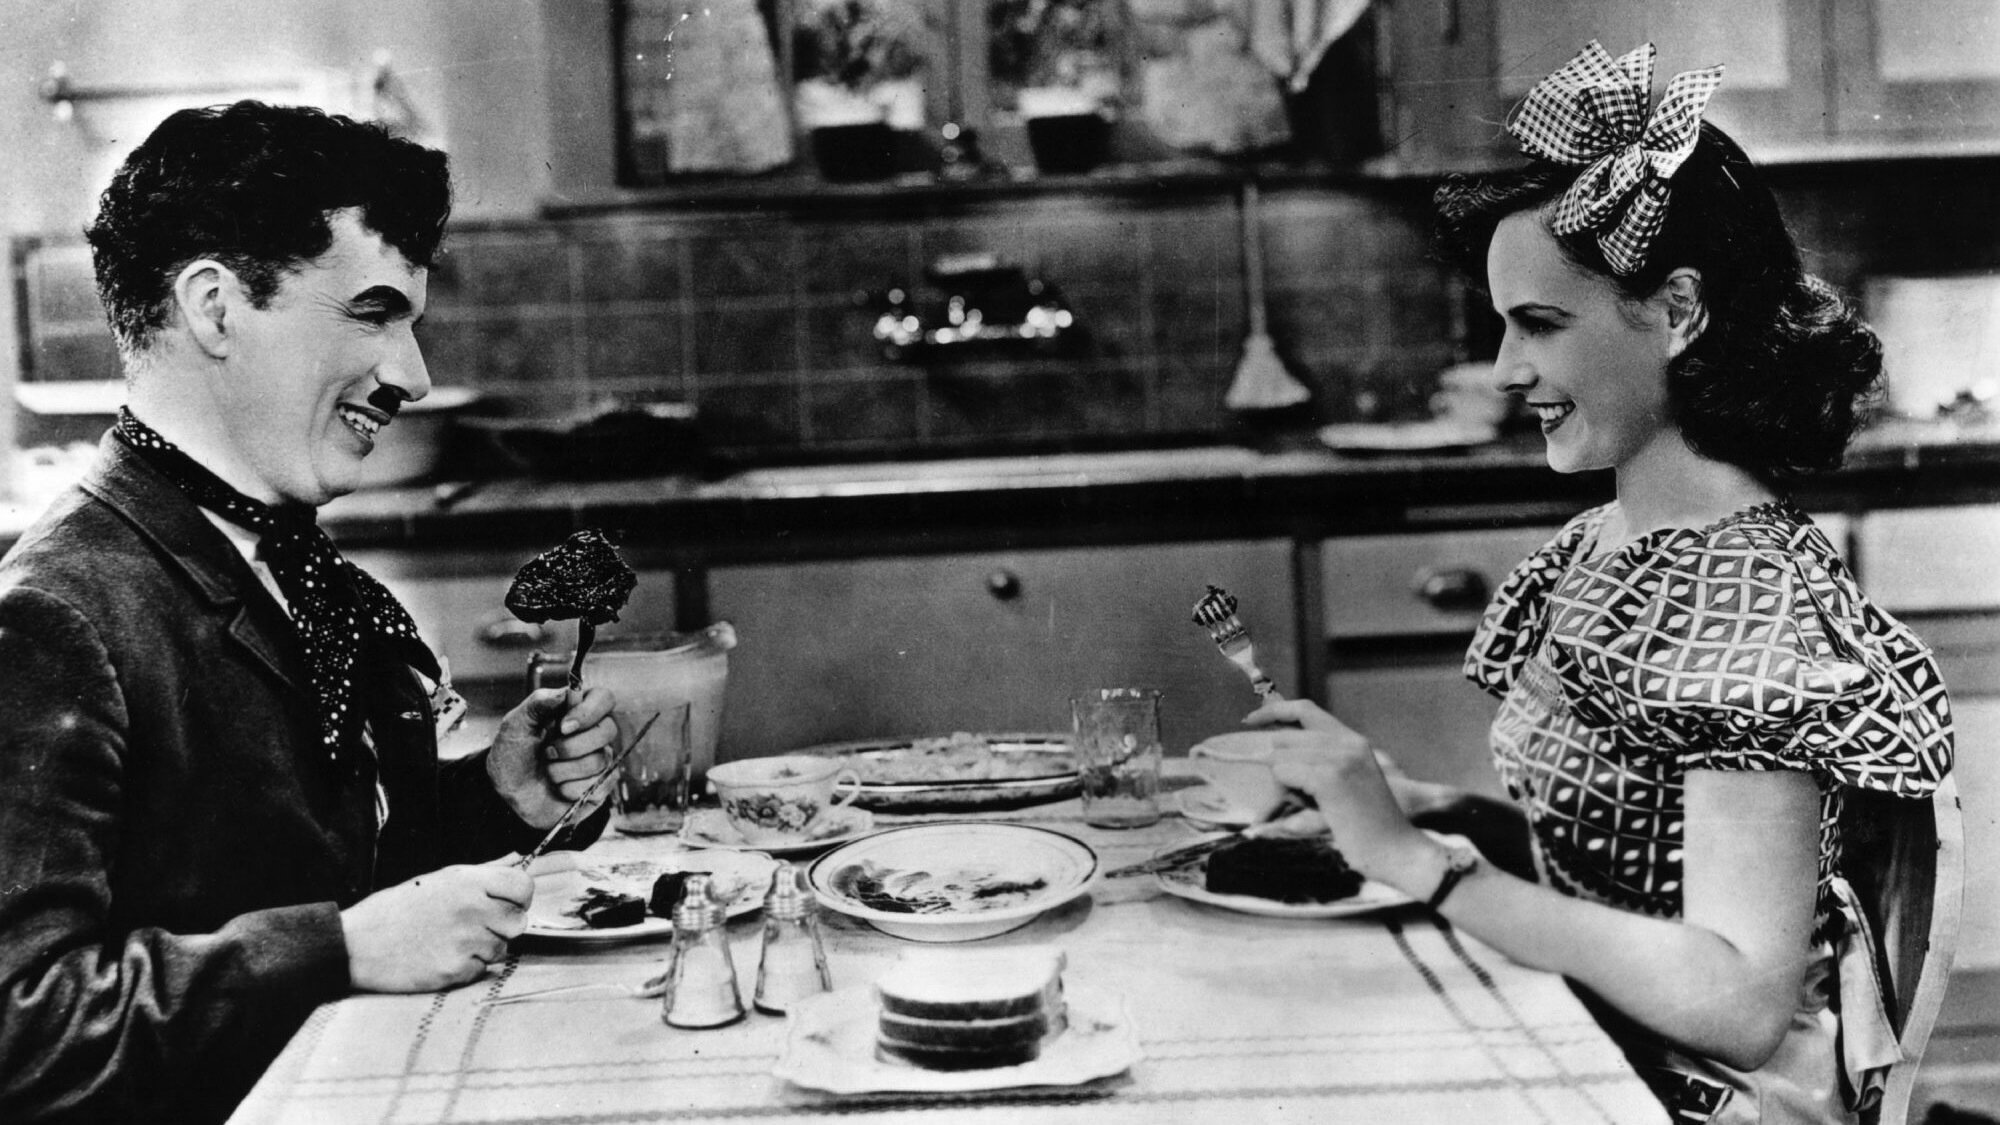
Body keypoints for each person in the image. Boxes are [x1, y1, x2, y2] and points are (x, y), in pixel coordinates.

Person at [1247, 43, 1954, 1124]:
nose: (1501, 370)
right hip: (1606, 1051)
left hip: (1711, 1104)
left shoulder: (1744, 605)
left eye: (1537, 325)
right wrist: (1412, 807)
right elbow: (1617, 854)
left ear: (1675, 312)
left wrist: (1418, 863)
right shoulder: (1610, 545)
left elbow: (1737, 1004)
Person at [0, 101, 622, 1124]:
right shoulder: (57, 614)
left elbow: (305, 859)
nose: (412, 375)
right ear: (214, 307)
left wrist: (492, 801)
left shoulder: (279, 555)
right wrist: (341, 950)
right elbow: (24, 1027)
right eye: (373, 314)